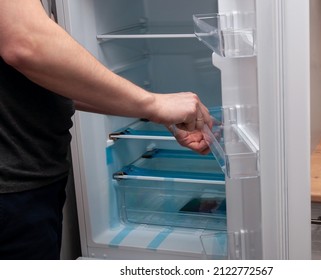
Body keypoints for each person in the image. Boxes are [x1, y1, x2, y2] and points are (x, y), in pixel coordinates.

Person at [0, 0, 212, 259]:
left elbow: (48, 76)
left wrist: (147, 106)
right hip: (12, 194)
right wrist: (154, 104)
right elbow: (26, 43)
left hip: (27, 183)